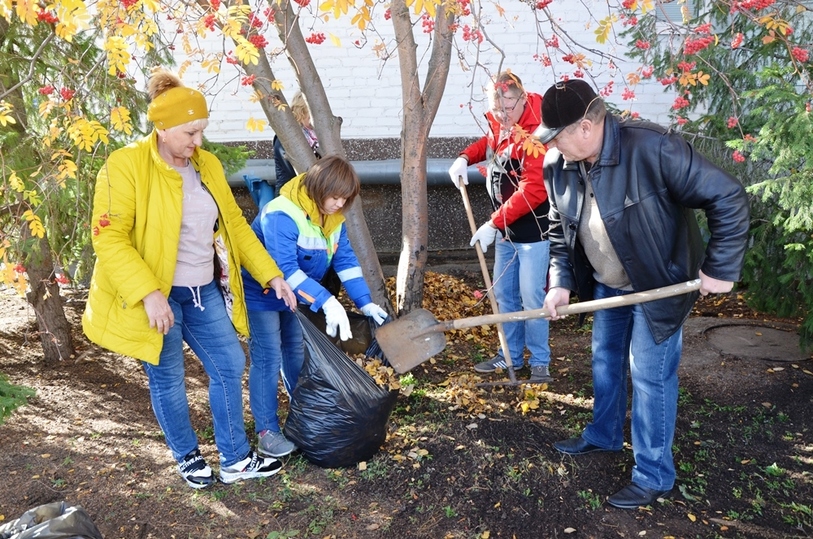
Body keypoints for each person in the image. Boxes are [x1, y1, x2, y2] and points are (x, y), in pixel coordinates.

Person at [536, 79, 750, 508]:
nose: (551, 145)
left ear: (584, 127)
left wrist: (720, 267)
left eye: (557, 135)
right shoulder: (557, 165)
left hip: (660, 283)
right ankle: (604, 434)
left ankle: (653, 474)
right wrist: (560, 282)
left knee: (650, 376)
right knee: (605, 360)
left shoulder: (652, 148)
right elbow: (560, 232)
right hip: (607, 284)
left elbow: (728, 196)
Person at [82, 68, 297, 490]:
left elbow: (234, 225)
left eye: (201, 132)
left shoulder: (207, 165)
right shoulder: (125, 166)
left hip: (202, 290)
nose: (197, 142)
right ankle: (188, 457)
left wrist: (272, 276)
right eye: (189, 133)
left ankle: (235, 459)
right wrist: (147, 293)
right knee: (167, 375)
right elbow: (108, 236)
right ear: (161, 128)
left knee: (230, 364)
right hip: (157, 295)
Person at [243, 154, 388, 458]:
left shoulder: (333, 218)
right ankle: (267, 431)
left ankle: (307, 415)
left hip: (299, 294)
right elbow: (285, 269)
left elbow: (346, 261)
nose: (339, 203)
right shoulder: (281, 213)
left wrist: (366, 303)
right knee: (268, 356)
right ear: (318, 188)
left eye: (345, 198)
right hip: (263, 291)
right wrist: (326, 300)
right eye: (335, 196)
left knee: (295, 350)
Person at [447, 70, 553, 383]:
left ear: (522, 99)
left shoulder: (538, 132)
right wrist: (465, 157)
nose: (502, 116)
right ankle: (510, 355)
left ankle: (540, 363)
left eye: (508, 109)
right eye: (496, 110)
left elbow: (534, 189)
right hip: (506, 231)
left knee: (532, 298)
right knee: (505, 296)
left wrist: (493, 223)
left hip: (533, 232)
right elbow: (490, 141)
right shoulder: (502, 120)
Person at [273, 91, 321, 198]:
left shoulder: (318, 134)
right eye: (311, 113)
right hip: (289, 196)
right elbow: (295, 171)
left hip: (314, 193)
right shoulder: (287, 137)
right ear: (302, 111)